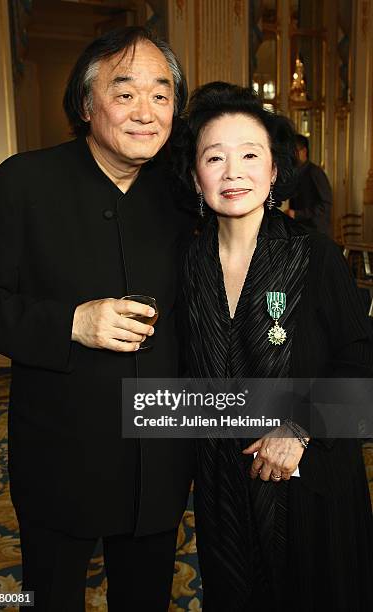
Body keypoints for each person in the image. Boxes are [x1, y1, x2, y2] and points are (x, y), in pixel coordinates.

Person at [0, 26, 195, 612]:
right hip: (61, 454)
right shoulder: (23, 182)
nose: (146, 112)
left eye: (162, 94)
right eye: (125, 93)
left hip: (160, 457)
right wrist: (69, 322)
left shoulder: (186, 193)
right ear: (87, 104)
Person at [179, 82, 373, 611]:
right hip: (223, 486)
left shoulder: (316, 256)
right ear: (196, 175)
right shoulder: (187, 266)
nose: (232, 171)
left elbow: (361, 359)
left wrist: (299, 428)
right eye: (214, 157)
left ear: (273, 173)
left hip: (310, 482)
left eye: (250, 155)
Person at [287, 133, 333, 235]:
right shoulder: (296, 172)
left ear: (304, 151)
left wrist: (298, 214)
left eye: (294, 151)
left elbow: (325, 205)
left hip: (315, 231)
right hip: (300, 229)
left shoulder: (315, 172)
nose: (291, 156)